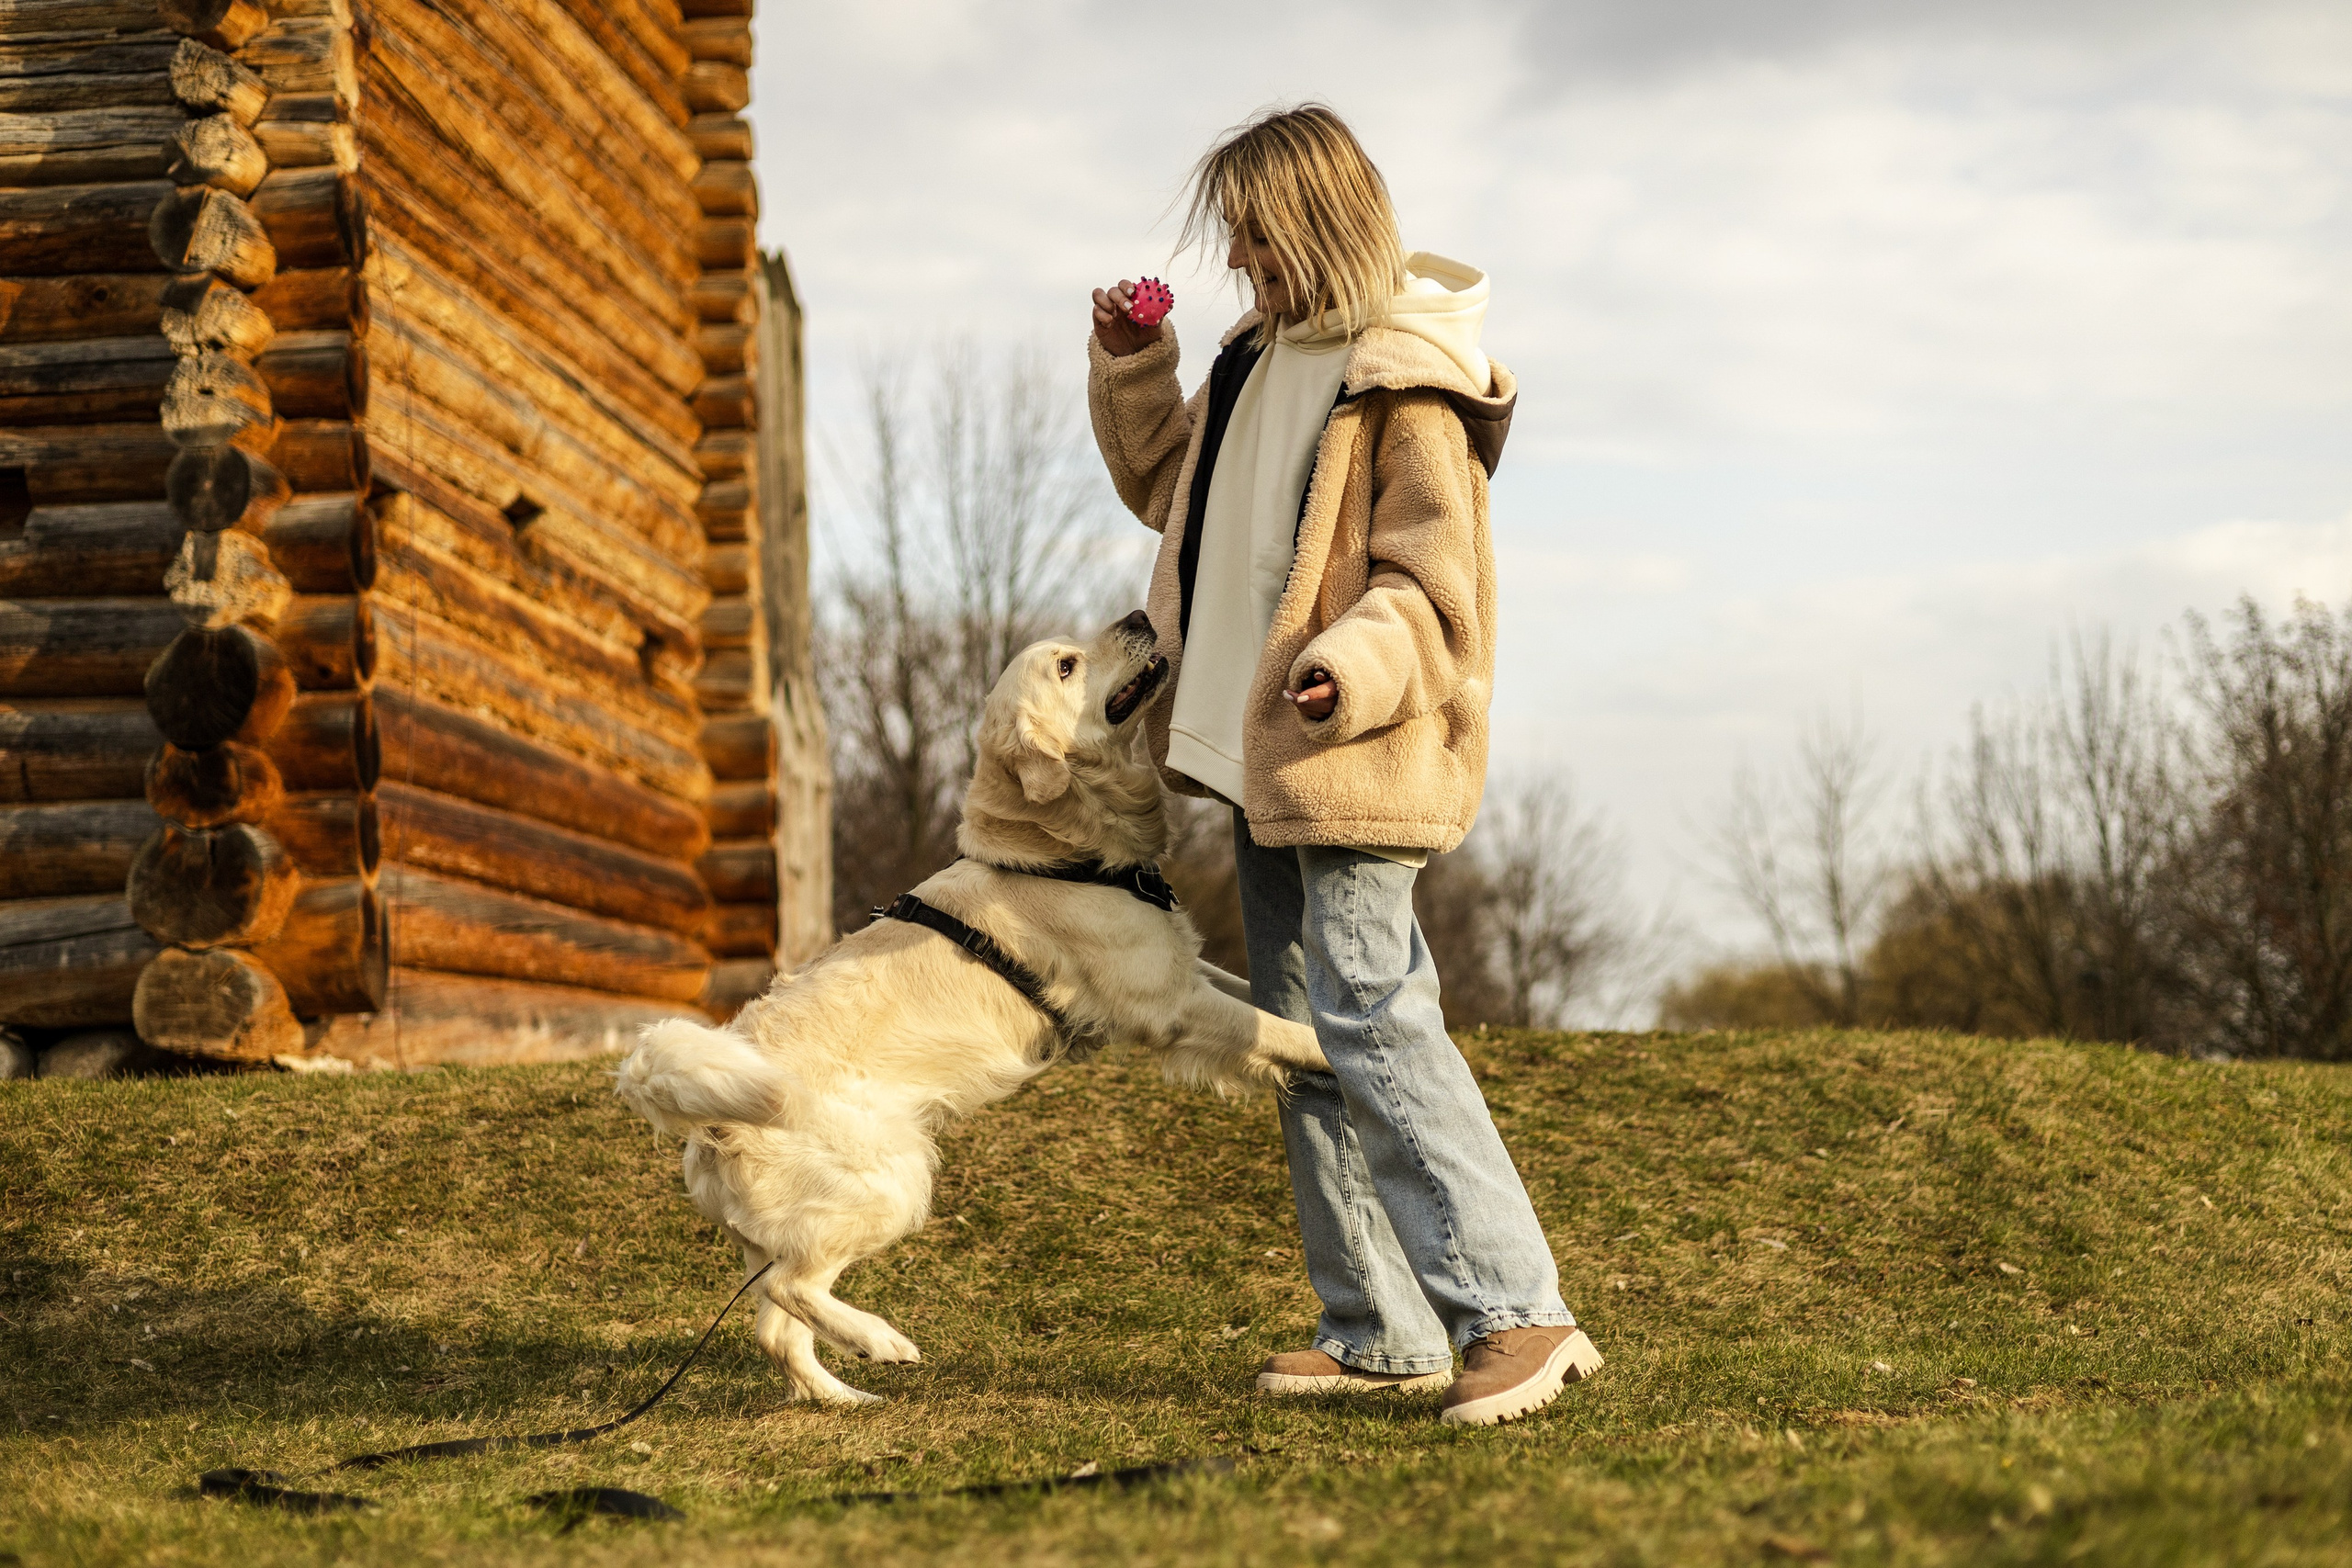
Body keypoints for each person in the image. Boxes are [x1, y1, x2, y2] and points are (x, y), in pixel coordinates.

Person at [1085, 104, 1600, 1427]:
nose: (1239, 255)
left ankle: (1516, 1312)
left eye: (1255, 229)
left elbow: (1436, 588)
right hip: (1260, 751)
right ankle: (1379, 1326)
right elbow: (1165, 487)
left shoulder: (1406, 374)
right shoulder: (1256, 358)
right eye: (1232, 234)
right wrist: (1133, 357)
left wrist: (1351, 670)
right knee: (1310, 1033)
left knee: (1374, 1009)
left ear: (1314, 217)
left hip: (1353, 742)